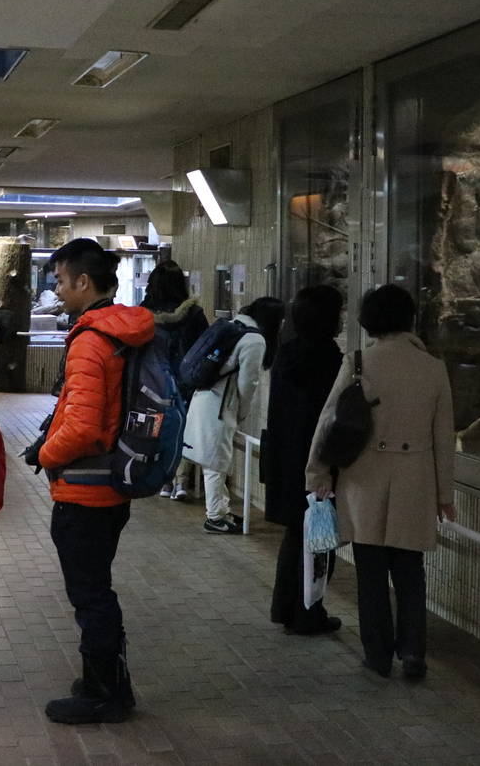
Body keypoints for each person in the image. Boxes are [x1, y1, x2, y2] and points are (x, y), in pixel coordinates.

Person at [24, 238, 154, 725]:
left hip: (85, 488)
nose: (57, 290)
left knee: (91, 594)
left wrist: (44, 454)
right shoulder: (122, 332)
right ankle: (105, 681)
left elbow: (80, 426)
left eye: (60, 280)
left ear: (83, 281)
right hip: (112, 482)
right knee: (96, 587)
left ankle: (105, 695)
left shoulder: (90, 340)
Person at [306, 283, 455, 681]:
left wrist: (317, 474)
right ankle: (413, 653)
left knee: (370, 571)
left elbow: (328, 423)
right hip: (416, 479)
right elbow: (444, 438)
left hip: (364, 480)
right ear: (410, 319)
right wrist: (444, 494)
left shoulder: (359, 363)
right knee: (410, 571)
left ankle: (377, 655)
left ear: (369, 320)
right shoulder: (434, 368)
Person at [265, 285, 345, 636]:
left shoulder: (286, 352)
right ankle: (308, 612)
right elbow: (330, 417)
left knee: (297, 536)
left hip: (284, 456)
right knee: (318, 540)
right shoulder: (329, 358)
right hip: (315, 460)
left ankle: (287, 608)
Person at [183, 296, 284, 534]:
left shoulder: (234, 325)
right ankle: (215, 517)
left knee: (215, 460)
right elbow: (248, 383)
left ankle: (221, 510)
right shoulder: (255, 340)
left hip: (204, 398)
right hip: (220, 406)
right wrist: (241, 413)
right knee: (216, 462)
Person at [140, 259, 207, 500]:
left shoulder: (143, 313)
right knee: (183, 428)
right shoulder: (194, 313)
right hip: (186, 379)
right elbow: (203, 348)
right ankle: (181, 482)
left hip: (152, 380)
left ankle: (161, 479)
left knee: (156, 428)